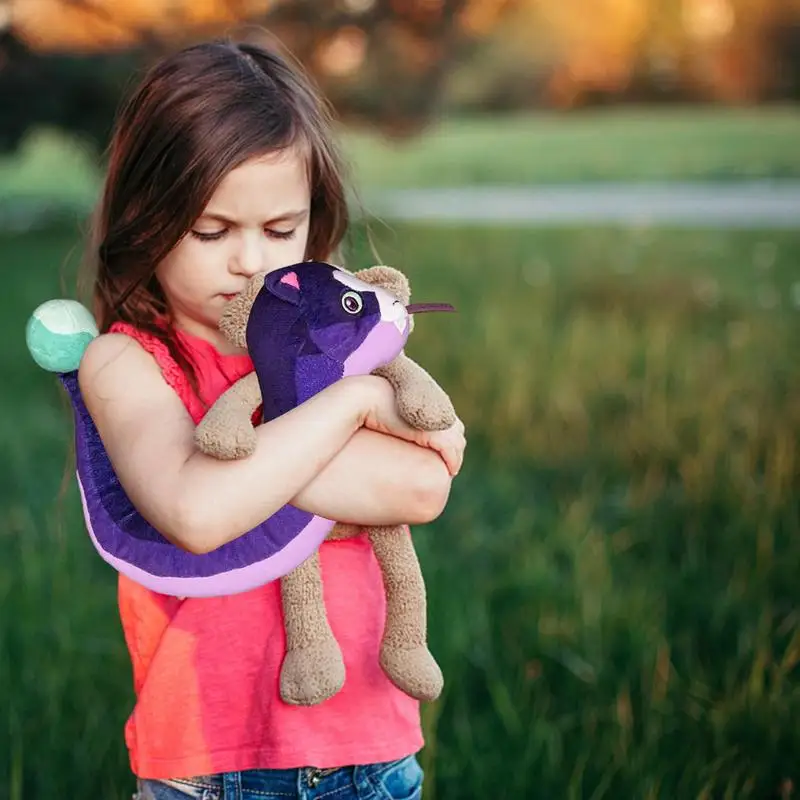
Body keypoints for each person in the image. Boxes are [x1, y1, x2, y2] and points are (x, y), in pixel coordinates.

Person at [77, 38, 466, 800]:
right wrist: (353, 407)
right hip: (212, 768)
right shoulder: (129, 364)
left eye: (281, 229)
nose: (250, 262)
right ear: (145, 217)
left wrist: (252, 470)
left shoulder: (335, 340)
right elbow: (197, 511)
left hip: (372, 751)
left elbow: (419, 488)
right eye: (211, 231)